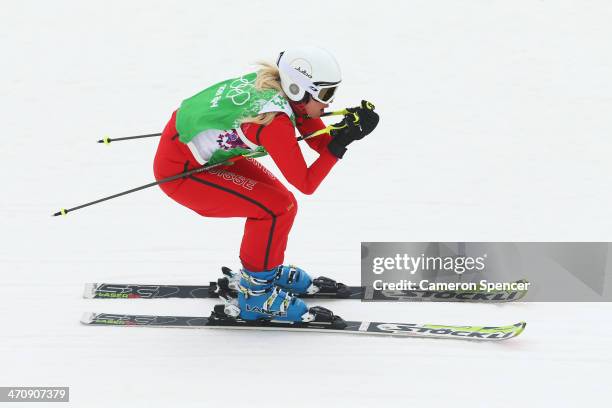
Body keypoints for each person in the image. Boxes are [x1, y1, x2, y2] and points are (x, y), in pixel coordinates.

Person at [153, 46, 379, 323]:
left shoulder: (279, 88)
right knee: (276, 208)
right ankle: (256, 297)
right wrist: (340, 144)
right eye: (325, 94)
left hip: (196, 154)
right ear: (297, 89)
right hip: (182, 173)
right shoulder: (274, 121)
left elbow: (317, 140)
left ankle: (261, 272)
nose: (329, 104)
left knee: (281, 203)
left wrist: (345, 132)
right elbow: (306, 182)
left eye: (332, 92)